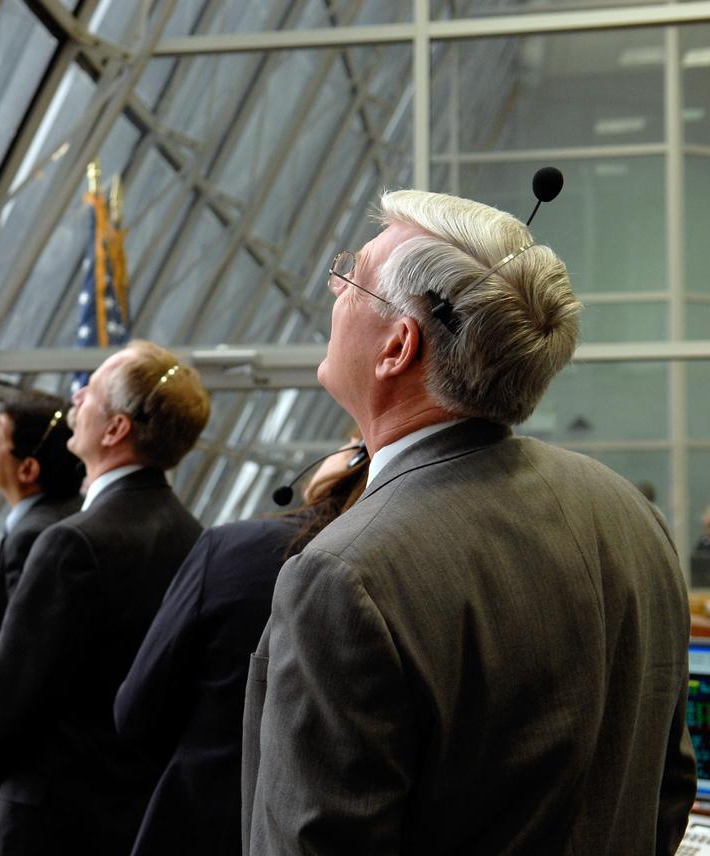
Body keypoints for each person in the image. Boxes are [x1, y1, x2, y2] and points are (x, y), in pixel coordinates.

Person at [242, 190, 694, 854]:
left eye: (351, 277)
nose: (334, 295)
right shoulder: (630, 516)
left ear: (398, 345)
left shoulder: (346, 575)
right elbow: (668, 794)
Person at [0, 340, 210, 856]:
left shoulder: (73, 541)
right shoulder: (197, 537)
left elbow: (13, 690)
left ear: (116, 429)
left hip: (46, 815)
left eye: (88, 391)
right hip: (138, 813)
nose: (74, 398)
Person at [114, 437, 367, 856]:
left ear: (355, 458)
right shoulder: (398, 567)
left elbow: (136, 712)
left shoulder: (232, 547)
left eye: (352, 440)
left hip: (200, 823)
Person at [0, 390, 82, 854]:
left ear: (28, 469)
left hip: (20, 776)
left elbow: (12, 669)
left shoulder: (35, 535)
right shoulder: (53, 521)